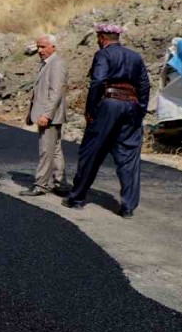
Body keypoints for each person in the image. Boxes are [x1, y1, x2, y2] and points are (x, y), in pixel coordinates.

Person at [62, 24, 151, 218]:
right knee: (128, 157)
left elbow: (98, 81)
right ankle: (128, 208)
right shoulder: (135, 57)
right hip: (132, 106)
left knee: (91, 151)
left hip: (109, 104)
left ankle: (76, 198)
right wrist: (140, 109)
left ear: (102, 37)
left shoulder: (103, 55)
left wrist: (91, 109)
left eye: (97, 37)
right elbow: (144, 85)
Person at [20, 34, 69, 197]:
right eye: (38, 47)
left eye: (43, 47)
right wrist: (31, 113)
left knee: (46, 150)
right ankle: (60, 183)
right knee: (54, 149)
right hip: (47, 114)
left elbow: (56, 92)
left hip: (50, 115)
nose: (39, 50)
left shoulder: (56, 64)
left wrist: (46, 115)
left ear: (53, 47)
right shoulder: (47, 64)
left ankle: (40, 185)